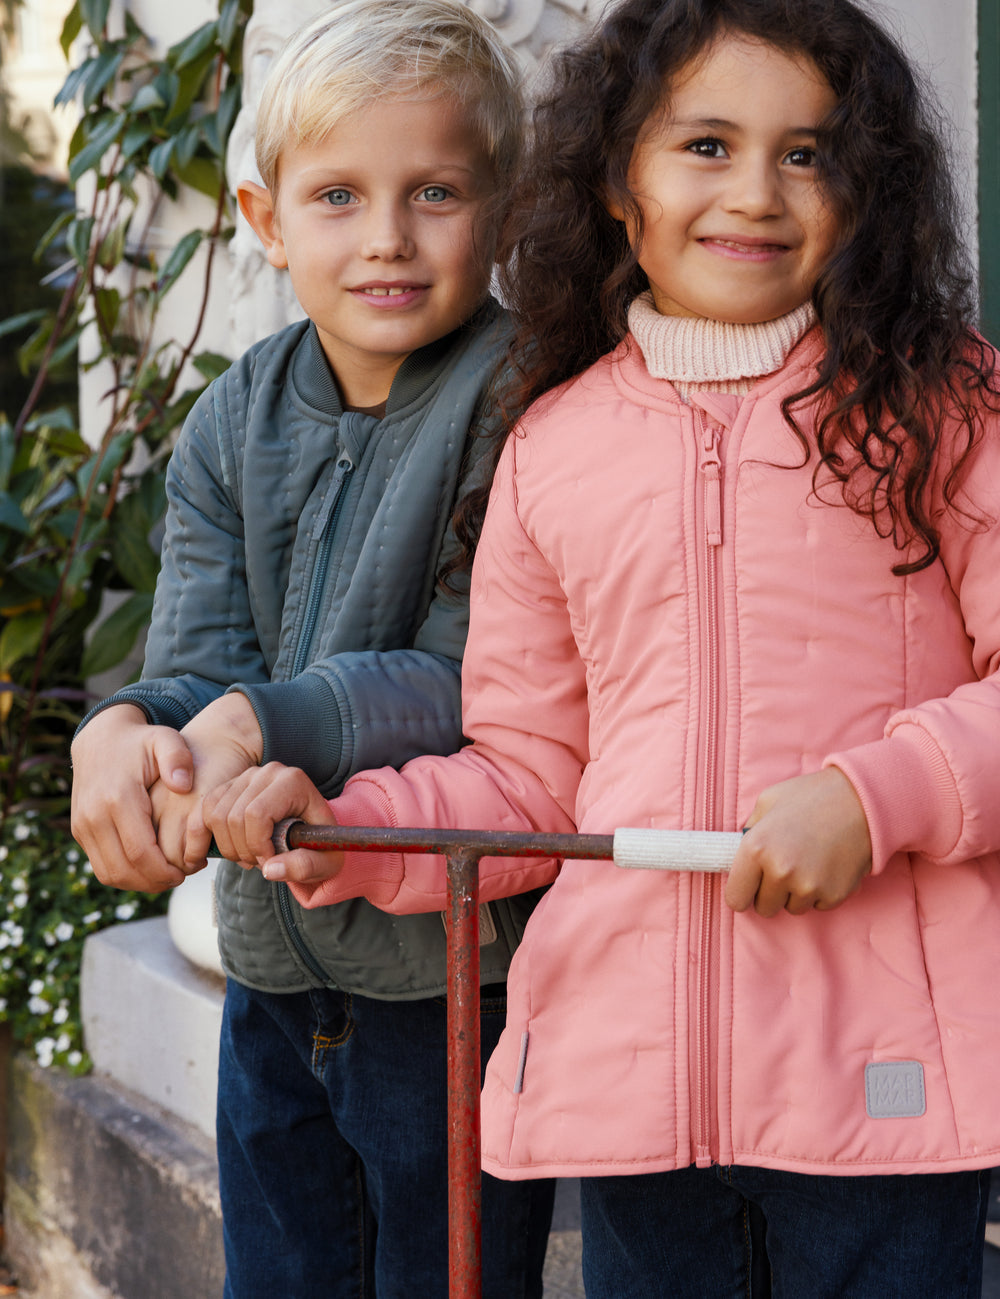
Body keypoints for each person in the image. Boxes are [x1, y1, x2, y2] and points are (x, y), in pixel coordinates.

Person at [202, 0, 1000, 1295]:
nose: (756, 190)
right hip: (634, 1093)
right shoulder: (554, 446)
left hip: (886, 1087)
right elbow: (530, 773)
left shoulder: (946, 407)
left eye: (807, 152)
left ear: (868, 184)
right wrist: (357, 831)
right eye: (706, 145)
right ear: (621, 180)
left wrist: (874, 798)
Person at [69, 3, 557, 1295]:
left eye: (435, 192)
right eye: (338, 195)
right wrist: (125, 730)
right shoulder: (232, 419)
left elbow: (476, 684)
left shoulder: (527, 405)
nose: (387, 235)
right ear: (267, 218)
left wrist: (259, 721)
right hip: (269, 966)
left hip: (447, 976)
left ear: (505, 210)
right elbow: (200, 660)